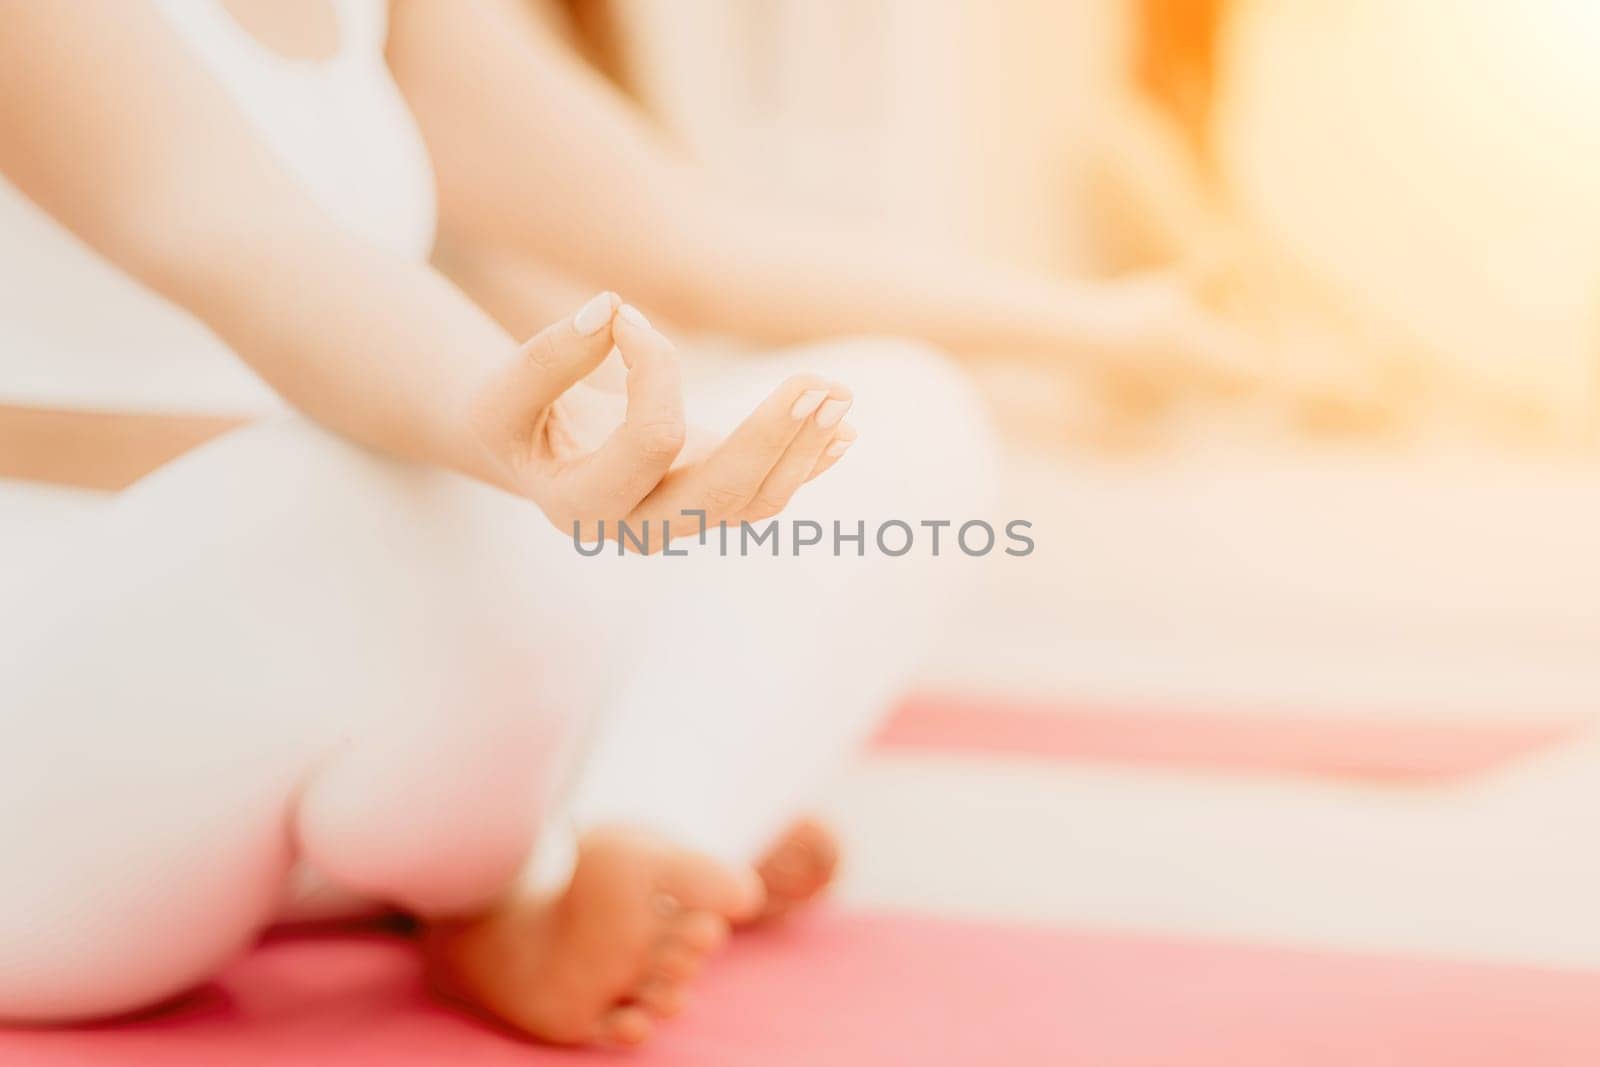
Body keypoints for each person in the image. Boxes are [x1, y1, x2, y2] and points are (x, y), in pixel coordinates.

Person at [0, 0, 1248, 1048]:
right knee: (406, 495)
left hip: (363, 747)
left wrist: (1114, 327)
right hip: (67, 764)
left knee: (898, 413)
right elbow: (242, 239)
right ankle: (535, 841)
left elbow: (694, 244)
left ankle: (630, 832)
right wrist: (523, 441)